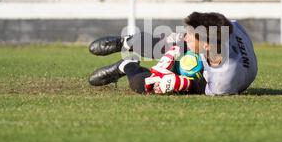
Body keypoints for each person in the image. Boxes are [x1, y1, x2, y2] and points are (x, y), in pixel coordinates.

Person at [88, 12, 258, 96]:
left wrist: (182, 84)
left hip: (209, 78)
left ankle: (126, 66)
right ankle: (125, 42)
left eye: (190, 34)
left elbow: (199, 88)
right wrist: (181, 42)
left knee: (150, 85)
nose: (185, 35)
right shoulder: (227, 26)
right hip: (214, 56)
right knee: (171, 42)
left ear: (206, 45)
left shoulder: (223, 82)